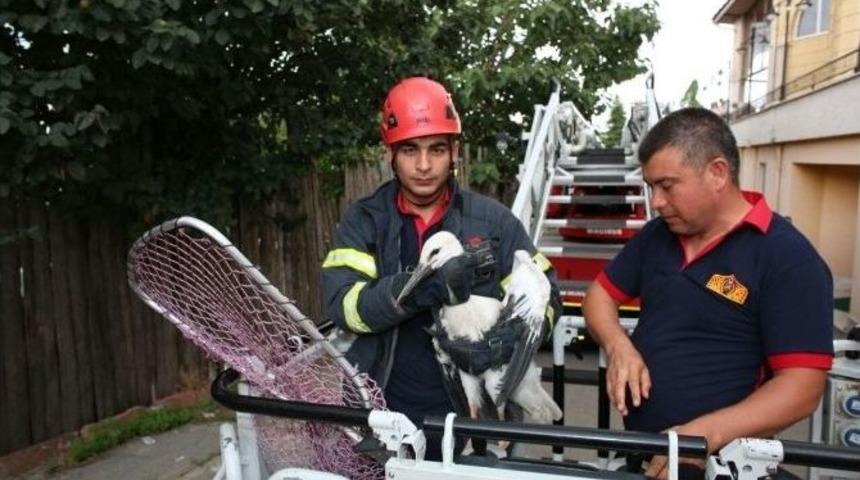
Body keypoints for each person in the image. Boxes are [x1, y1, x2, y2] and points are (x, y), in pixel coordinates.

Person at [583, 108, 833, 478]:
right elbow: (598, 297)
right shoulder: (658, 236)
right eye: (652, 187)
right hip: (648, 454)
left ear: (717, 173)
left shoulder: (787, 258)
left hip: (722, 465)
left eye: (667, 186)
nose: (657, 202)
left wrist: (701, 435)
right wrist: (619, 345)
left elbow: (802, 388)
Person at [321, 76, 561, 458]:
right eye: (409, 150)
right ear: (390, 154)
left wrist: (512, 340)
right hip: (382, 409)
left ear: (454, 151)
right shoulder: (364, 222)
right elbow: (345, 306)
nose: (423, 165)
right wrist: (423, 288)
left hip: (472, 417)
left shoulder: (494, 223)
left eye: (436, 149)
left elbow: (547, 292)